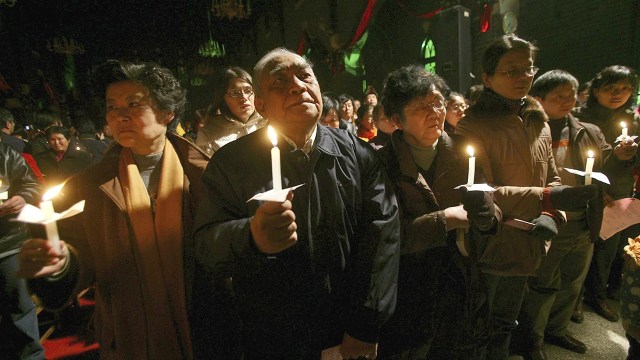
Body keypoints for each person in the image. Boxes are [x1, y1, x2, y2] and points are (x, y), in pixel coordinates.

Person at [193, 48, 401, 359]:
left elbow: (382, 237)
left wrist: (365, 325)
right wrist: (250, 236)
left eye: (305, 76)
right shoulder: (231, 163)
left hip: (346, 333)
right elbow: (206, 243)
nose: (297, 86)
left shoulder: (359, 154)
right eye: (279, 81)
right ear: (260, 105)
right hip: (272, 339)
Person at [18, 60, 209, 359]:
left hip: (202, 329)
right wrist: (58, 266)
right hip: (129, 334)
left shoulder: (204, 176)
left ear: (167, 112)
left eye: (133, 104)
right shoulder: (89, 186)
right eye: (112, 106)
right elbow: (79, 260)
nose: (119, 116)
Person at [456, 34, 596, 360]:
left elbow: (553, 176)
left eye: (528, 69)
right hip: (496, 240)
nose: (523, 77)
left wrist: (551, 214)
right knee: (487, 323)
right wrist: (550, 198)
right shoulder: (472, 125)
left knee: (511, 317)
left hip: (534, 238)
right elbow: (481, 191)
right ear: (488, 78)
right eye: (511, 70)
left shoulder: (539, 121)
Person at [375, 65, 499, 359]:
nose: (435, 112)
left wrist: (488, 214)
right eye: (421, 106)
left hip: (460, 279)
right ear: (396, 119)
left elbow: (490, 205)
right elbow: (382, 233)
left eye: (438, 103)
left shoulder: (464, 153)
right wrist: (445, 220)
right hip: (408, 285)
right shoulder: (380, 163)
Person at [517, 69, 626, 359]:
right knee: (542, 285)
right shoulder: (528, 131)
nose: (567, 101)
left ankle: (558, 329)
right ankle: (532, 340)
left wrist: (620, 158)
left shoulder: (587, 131)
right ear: (538, 98)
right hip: (550, 218)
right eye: (558, 96)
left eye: (571, 95)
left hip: (584, 220)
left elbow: (606, 170)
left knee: (572, 283)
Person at [574, 65, 640, 322]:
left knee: (609, 247)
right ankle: (577, 296)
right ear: (597, 90)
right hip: (588, 186)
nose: (618, 94)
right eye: (611, 89)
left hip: (621, 189)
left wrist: (628, 155)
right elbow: (580, 158)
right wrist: (596, 189)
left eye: (625, 89)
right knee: (583, 245)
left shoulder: (632, 119)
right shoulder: (582, 117)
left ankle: (599, 294)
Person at [0, 142, 43, 359]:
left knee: (20, 309)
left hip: (9, 243)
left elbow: (32, 184)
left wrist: (23, 198)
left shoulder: (6, 154)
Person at [196, 66, 267, 155]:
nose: (244, 98)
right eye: (235, 93)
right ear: (223, 99)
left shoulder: (270, 123)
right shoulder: (208, 134)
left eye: (248, 90)